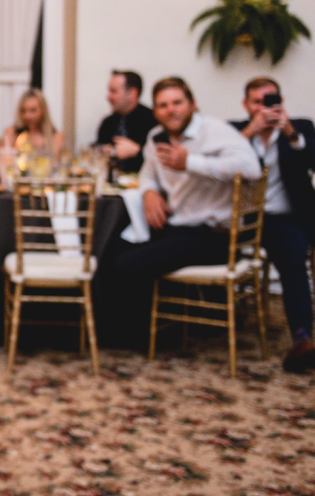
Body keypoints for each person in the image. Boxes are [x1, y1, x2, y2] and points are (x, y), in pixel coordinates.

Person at [106, 77, 261, 341]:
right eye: (163, 105)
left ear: (192, 104)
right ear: (155, 111)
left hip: (214, 236)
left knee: (128, 264)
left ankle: (145, 337)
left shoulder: (214, 130)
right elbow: (147, 174)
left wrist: (191, 162)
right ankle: (112, 330)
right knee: (109, 249)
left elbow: (251, 168)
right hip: (177, 228)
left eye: (177, 103)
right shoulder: (156, 137)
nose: (171, 110)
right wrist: (149, 193)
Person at [234, 77, 315, 372]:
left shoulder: (300, 127)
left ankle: (302, 340)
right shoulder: (234, 131)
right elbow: (215, 161)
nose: (265, 108)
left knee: (292, 259)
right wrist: (251, 131)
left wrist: (291, 134)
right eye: (257, 102)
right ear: (246, 105)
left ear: (281, 102)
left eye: (270, 101)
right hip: (240, 221)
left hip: (283, 219)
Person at [95, 70, 157, 173]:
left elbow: (162, 161)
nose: (108, 97)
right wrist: (102, 151)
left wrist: (138, 152)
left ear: (133, 93)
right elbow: (98, 148)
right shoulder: (108, 122)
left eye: (114, 91)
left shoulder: (153, 120)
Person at [3, 87, 64, 156]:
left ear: (43, 111)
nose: (27, 116)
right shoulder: (12, 133)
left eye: (33, 110)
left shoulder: (56, 136)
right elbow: (5, 160)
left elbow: (56, 163)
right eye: (23, 111)